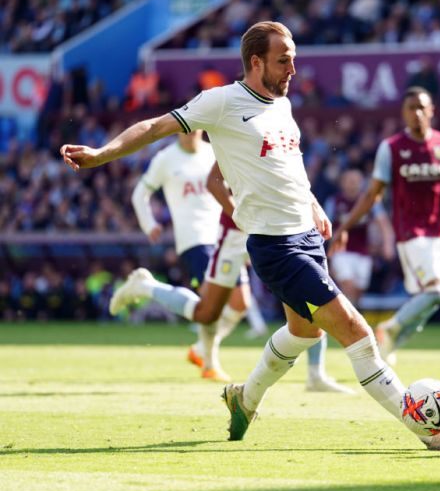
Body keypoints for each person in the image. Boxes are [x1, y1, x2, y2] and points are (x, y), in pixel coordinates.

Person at [60, 21, 440, 451]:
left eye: (293, 57)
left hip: (306, 238)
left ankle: (245, 398)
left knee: (303, 333)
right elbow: (153, 128)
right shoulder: (220, 102)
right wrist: (102, 154)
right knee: (356, 331)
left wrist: (313, 206)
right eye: (284, 60)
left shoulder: (283, 105)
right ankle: (431, 432)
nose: (293, 68)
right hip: (276, 247)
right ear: (256, 62)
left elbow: (290, 169)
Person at [116, 161, 352, 391]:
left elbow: (293, 176)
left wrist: (311, 205)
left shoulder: (277, 131)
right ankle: (147, 288)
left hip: (275, 229)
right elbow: (214, 183)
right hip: (233, 235)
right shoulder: (233, 133)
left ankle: (315, 373)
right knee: (207, 312)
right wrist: (242, 219)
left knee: (279, 298)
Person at [329, 86, 440, 363]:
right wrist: (343, 228)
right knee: (437, 292)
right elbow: (371, 195)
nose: (416, 113)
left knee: (432, 300)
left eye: (421, 107)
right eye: (410, 108)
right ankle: (388, 329)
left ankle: (388, 346)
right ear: (403, 113)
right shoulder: (391, 148)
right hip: (410, 234)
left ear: (432, 111)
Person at [128, 127, 244, 380]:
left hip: (224, 235)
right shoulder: (165, 158)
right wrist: (150, 224)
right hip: (194, 239)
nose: (189, 130)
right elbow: (140, 194)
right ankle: (209, 364)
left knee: (240, 302)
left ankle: (200, 348)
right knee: (210, 303)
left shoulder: (214, 153)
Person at [324, 169, 394, 308]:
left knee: (357, 293)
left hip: (363, 253)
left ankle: (349, 321)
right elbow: (324, 228)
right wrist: (326, 255)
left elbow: (383, 223)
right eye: (350, 181)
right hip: (341, 252)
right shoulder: (334, 202)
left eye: (357, 182)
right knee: (348, 287)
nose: (353, 185)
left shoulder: (369, 202)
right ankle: (347, 324)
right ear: (342, 183)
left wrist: (387, 244)